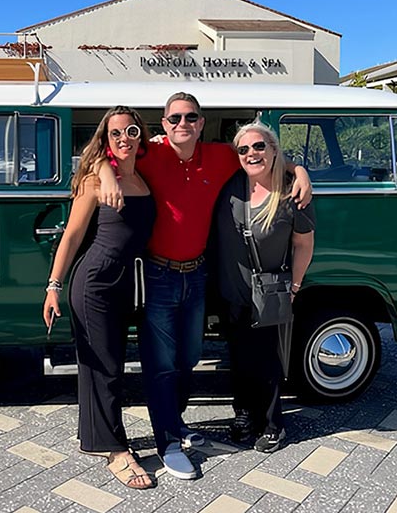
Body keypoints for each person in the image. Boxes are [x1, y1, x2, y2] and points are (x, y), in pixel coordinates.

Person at [98, 93, 312, 479]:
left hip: (196, 275)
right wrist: (105, 172)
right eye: (174, 118)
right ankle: (166, 440)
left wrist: (299, 172)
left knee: (190, 357)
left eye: (191, 117)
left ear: (200, 122)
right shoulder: (151, 154)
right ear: (163, 125)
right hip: (159, 274)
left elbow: (263, 156)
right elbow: (111, 150)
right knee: (161, 364)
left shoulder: (221, 155)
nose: (183, 123)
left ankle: (177, 423)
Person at [42, 106, 157, 490]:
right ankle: (114, 450)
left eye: (131, 132)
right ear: (106, 140)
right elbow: (72, 235)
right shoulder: (94, 180)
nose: (124, 138)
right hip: (96, 283)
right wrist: (54, 285)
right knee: (104, 368)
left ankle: (93, 438)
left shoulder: (144, 176)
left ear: (141, 135)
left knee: (111, 365)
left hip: (132, 282)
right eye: (115, 134)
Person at [209, 122, 315, 453]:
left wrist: (295, 286)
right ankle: (243, 415)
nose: (252, 154)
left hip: (268, 293)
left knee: (267, 361)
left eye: (259, 147)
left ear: (272, 149)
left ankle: (272, 424)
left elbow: (303, 244)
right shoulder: (230, 184)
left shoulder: (292, 193)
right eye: (243, 149)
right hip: (231, 291)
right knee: (238, 357)